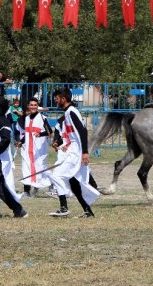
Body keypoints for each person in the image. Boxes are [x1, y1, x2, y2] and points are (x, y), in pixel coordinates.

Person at [48, 88, 99, 218]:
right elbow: (70, 135)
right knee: (74, 183)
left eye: (57, 98)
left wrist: (85, 153)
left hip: (76, 153)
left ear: (63, 99)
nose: (56, 100)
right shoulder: (67, 114)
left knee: (57, 176)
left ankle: (64, 208)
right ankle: (88, 211)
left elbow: (83, 131)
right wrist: (59, 143)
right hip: (73, 151)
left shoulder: (71, 112)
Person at [16, 98, 52, 197]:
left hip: (39, 149)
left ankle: (51, 185)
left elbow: (50, 132)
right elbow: (27, 134)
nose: (33, 107)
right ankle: (26, 191)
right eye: (31, 105)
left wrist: (40, 134)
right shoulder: (27, 119)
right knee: (26, 168)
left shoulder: (42, 118)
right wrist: (21, 142)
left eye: (35, 105)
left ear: (37, 106)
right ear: (28, 106)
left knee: (40, 168)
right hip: (28, 149)